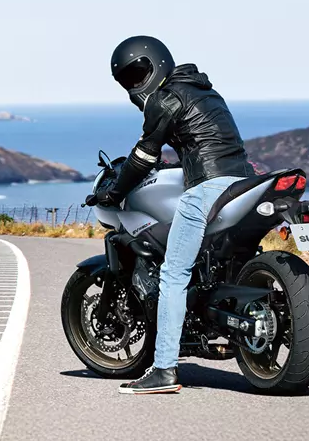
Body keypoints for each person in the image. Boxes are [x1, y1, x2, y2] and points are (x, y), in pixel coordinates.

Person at [89, 35, 257, 394]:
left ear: (157, 62)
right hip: (242, 182)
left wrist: (114, 191)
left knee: (174, 272)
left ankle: (164, 369)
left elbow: (144, 155)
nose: (135, 84)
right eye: (127, 79)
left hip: (207, 187)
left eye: (138, 73)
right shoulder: (206, 91)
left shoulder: (165, 98)